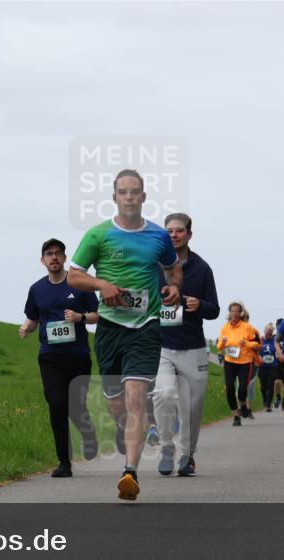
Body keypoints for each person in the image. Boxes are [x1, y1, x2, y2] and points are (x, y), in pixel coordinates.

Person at [68, 169, 181, 501]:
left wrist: (173, 285)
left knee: (135, 398)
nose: (130, 197)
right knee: (117, 404)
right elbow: (74, 277)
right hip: (109, 328)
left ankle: (129, 473)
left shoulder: (159, 236)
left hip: (146, 326)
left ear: (144, 197)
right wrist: (102, 284)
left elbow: (174, 267)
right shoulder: (98, 235)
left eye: (135, 192)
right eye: (123, 192)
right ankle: (129, 430)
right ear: (114, 197)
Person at [20, 239, 100, 477]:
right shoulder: (37, 289)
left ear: (65, 258)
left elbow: (99, 315)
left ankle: (88, 434)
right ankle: (64, 462)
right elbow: (34, 317)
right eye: (49, 254)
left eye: (58, 254)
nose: (53, 258)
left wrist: (80, 317)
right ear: (42, 260)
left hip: (78, 355)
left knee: (76, 405)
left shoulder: (80, 285)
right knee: (56, 405)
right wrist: (26, 328)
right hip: (50, 356)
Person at [152, 213, 220, 477]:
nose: (173, 235)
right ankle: (167, 447)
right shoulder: (154, 266)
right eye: (169, 231)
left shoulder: (202, 269)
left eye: (179, 230)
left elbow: (214, 309)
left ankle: (187, 455)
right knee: (164, 395)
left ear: (189, 234)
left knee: (192, 406)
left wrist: (198, 305)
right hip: (162, 347)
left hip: (192, 347)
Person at [219, 302, 259, 426]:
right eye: (232, 311)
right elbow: (219, 347)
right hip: (230, 361)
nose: (235, 313)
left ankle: (243, 404)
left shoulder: (247, 327)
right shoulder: (225, 328)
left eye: (237, 311)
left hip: (245, 362)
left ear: (241, 313)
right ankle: (236, 416)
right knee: (230, 389)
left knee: (242, 389)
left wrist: (246, 343)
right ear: (229, 313)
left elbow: (257, 343)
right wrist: (223, 343)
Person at [257, 323, 281, 410]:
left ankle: (268, 405)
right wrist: (259, 357)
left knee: (271, 385)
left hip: (273, 366)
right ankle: (264, 399)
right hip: (262, 366)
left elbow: (278, 350)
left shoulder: (274, 341)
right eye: (268, 332)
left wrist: (278, 354)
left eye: (271, 333)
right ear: (265, 331)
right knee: (263, 386)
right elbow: (256, 351)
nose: (269, 334)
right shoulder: (260, 340)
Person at [273, 318, 284, 410]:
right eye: (278, 326)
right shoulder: (274, 337)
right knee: (276, 382)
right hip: (277, 362)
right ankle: (278, 396)